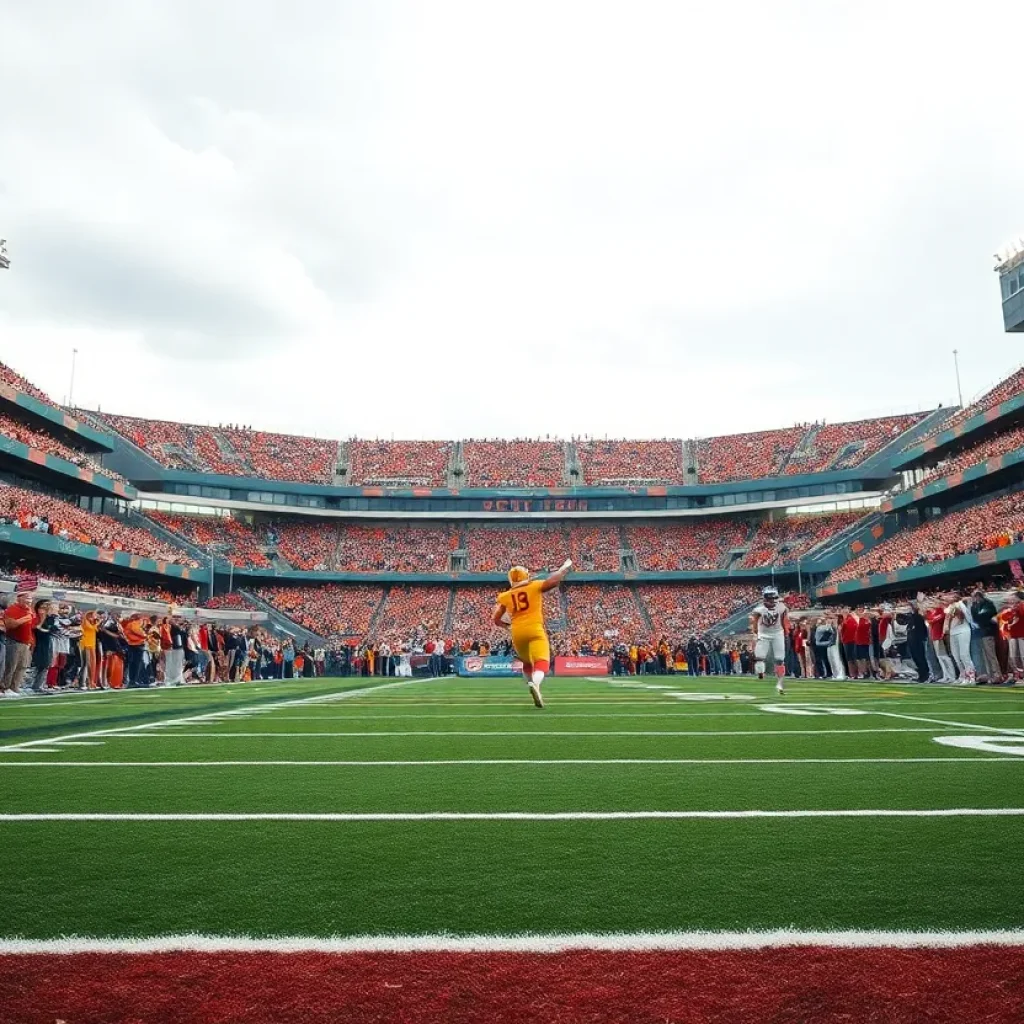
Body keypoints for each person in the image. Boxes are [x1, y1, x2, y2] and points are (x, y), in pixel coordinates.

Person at [492, 559, 573, 709]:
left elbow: (496, 619)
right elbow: (553, 582)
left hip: (517, 632)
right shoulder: (534, 586)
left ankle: (533, 686)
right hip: (535, 628)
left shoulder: (505, 596)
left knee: (527, 663)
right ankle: (535, 684)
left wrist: (508, 627)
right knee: (542, 661)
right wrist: (563, 569)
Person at [750, 585, 789, 695]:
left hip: (777, 633)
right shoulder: (759, 609)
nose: (772, 600)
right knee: (759, 657)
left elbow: (784, 620)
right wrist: (756, 632)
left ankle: (780, 682)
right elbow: (754, 622)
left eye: (773, 597)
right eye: (769, 597)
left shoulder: (782, 607)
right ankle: (761, 674)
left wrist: (786, 632)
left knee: (779, 659)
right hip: (764, 634)